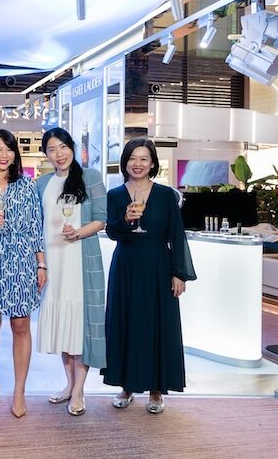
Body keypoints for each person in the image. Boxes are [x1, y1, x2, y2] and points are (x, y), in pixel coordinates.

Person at [103, 137, 196, 414]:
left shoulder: (166, 195)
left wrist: (179, 273)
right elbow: (111, 232)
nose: (138, 163)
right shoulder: (115, 195)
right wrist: (125, 221)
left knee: (158, 325)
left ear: (153, 163)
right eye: (132, 158)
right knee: (126, 324)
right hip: (126, 267)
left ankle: (156, 390)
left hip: (158, 267)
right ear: (125, 163)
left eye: (144, 158)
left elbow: (176, 235)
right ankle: (127, 386)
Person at [0, 129, 45, 418]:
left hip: (21, 261)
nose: (4, 155)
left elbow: (36, 228)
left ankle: (19, 390)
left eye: (9, 149)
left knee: (21, 325)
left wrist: (41, 265)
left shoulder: (27, 186)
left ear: (15, 154)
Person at [35, 127, 107, 417]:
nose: (59, 154)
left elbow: (101, 219)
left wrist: (78, 232)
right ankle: (68, 384)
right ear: (46, 154)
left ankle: (79, 390)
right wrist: (40, 264)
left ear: (72, 147)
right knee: (65, 329)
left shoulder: (91, 177)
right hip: (55, 263)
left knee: (81, 327)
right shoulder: (42, 183)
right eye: (52, 149)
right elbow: (37, 225)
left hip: (80, 261)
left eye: (63, 147)